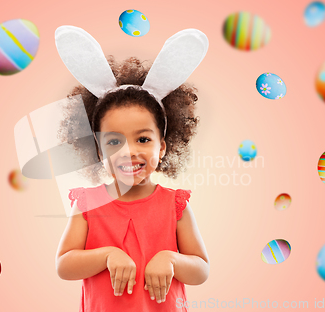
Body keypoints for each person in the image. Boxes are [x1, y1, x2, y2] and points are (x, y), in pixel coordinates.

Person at [54, 26, 209, 312]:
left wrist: (171, 259)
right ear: (99, 150)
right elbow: (64, 265)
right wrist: (107, 255)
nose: (128, 151)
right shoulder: (88, 205)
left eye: (143, 139)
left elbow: (201, 269)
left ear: (162, 147)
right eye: (114, 141)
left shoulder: (175, 205)